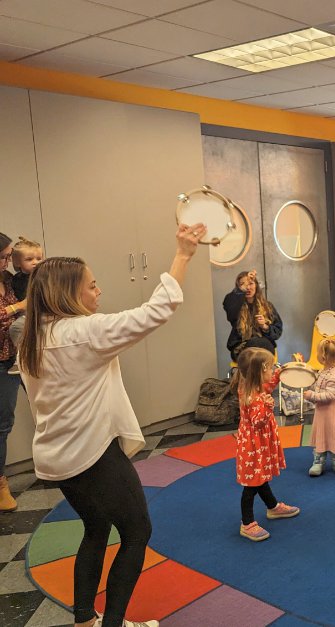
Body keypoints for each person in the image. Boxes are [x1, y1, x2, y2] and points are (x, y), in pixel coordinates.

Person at [18, 224, 207, 627]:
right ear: (69, 293)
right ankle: (113, 624)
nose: (98, 291)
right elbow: (157, 310)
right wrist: (183, 254)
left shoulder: (33, 338)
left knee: (96, 528)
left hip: (57, 460)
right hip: (92, 457)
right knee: (137, 533)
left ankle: (85, 619)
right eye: (92, 285)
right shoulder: (83, 333)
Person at [231, 347, 300, 542]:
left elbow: (268, 385)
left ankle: (272, 507)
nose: (272, 370)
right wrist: (268, 407)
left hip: (258, 443)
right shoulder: (252, 397)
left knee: (260, 477)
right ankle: (247, 523)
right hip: (253, 444)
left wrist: (279, 373)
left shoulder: (252, 386)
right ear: (259, 372)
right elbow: (257, 422)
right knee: (251, 484)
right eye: (270, 368)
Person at [304, 338, 335, 477]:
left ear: (323, 356)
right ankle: (318, 461)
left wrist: (311, 395)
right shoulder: (325, 370)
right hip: (321, 413)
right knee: (321, 434)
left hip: (331, 413)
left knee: (333, 433)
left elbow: (330, 395)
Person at [0, 231, 21, 512]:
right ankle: (1, 485)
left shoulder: (8, 280)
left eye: (8, 257)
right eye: (2, 257)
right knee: (2, 425)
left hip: (17, 357)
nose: (6, 263)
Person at [222, 270, 283, 361]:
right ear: (239, 288)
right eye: (243, 284)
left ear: (256, 286)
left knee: (261, 345)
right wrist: (242, 288)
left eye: (251, 283)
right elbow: (228, 302)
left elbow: (277, 331)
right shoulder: (235, 306)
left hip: (264, 348)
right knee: (256, 346)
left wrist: (265, 326)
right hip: (241, 348)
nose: (248, 287)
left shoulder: (267, 306)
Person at [8, 236, 43, 348]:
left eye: (39, 258)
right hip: (24, 313)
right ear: (17, 263)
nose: (35, 262)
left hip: (43, 312)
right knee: (15, 327)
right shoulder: (14, 279)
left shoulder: (44, 277)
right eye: (29, 259)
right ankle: (22, 352)